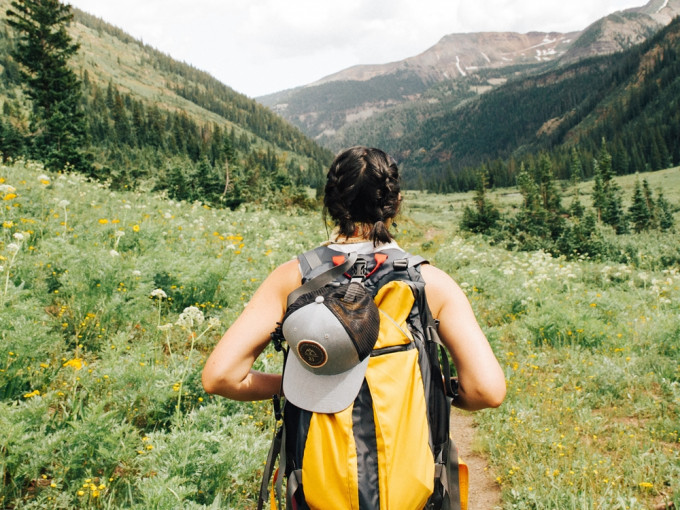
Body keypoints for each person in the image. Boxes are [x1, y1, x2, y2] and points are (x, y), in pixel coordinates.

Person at [202, 146, 506, 412]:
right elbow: (486, 391)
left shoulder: (293, 277)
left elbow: (221, 377)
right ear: (396, 203)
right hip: (409, 476)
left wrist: (293, 387)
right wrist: (426, 386)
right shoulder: (431, 282)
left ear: (331, 204)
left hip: (316, 474)